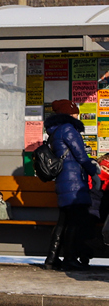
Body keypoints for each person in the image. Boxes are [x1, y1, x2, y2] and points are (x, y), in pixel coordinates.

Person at [43, 99, 100, 271]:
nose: (78, 116)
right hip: (73, 180)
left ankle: (52, 258)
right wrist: (93, 172)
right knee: (75, 221)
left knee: (64, 220)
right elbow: (80, 154)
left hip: (63, 180)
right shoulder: (68, 129)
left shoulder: (55, 131)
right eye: (75, 113)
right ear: (68, 114)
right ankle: (70, 258)